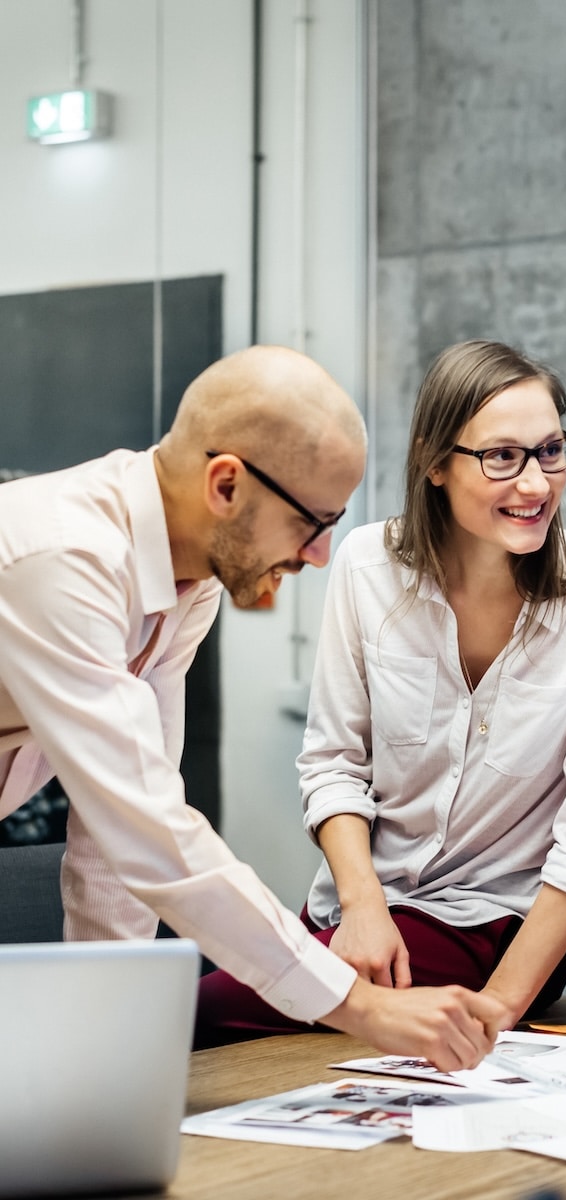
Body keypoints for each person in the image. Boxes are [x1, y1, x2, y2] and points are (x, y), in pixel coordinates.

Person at [0, 345, 504, 1070]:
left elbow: (117, 843)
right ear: (227, 484)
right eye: (312, 522)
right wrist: (362, 1006)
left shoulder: (189, 585)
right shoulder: (65, 561)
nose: (325, 554)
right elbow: (151, 833)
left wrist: (99, 1049)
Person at [194, 339, 566, 1044]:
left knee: (191, 1012)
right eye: (502, 456)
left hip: (498, 927)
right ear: (435, 462)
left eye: (551, 450)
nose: (535, 484)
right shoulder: (366, 567)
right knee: (200, 994)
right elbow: (333, 764)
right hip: (357, 912)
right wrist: (363, 908)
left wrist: (500, 1009)